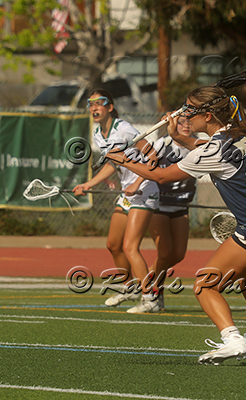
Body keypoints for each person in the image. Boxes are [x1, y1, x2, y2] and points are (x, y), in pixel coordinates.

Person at [106, 86, 246, 366]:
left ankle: (233, 339)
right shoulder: (242, 134)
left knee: (205, 285)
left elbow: (161, 176)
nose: (184, 115)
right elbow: (208, 151)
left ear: (208, 116)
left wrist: (123, 159)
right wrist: (179, 138)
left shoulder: (213, 149)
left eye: (189, 110)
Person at [73, 89, 159, 313]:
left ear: (110, 107)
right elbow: (113, 164)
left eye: (99, 103)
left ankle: (150, 298)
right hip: (127, 194)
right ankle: (130, 288)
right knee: (113, 245)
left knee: (130, 247)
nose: (94, 107)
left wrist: (137, 182)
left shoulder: (124, 128)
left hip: (145, 190)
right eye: (90, 104)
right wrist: (89, 184)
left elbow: (153, 156)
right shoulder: (98, 134)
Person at [140, 116, 197, 313]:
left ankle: (147, 277)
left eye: (189, 121)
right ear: (171, 124)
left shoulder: (198, 146)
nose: (186, 125)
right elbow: (145, 166)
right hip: (159, 205)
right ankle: (153, 291)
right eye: (181, 122)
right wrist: (135, 185)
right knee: (164, 254)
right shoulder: (162, 144)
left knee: (177, 255)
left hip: (181, 205)